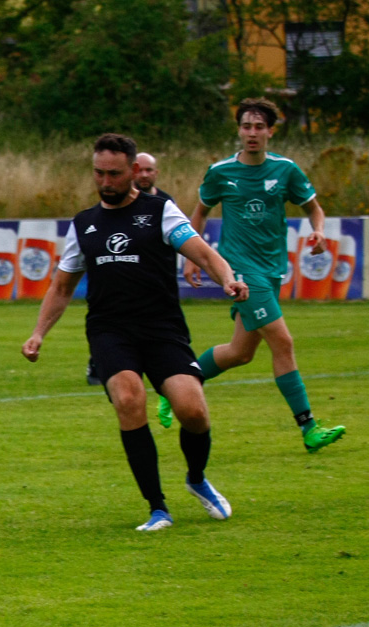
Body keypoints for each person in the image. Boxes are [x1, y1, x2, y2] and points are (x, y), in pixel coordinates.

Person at [22, 133, 249, 531]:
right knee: (129, 398)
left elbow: (204, 254)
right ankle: (157, 508)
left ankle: (196, 478)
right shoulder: (84, 224)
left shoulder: (161, 212)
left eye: (114, 174)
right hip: (110, 331)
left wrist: (228, 279)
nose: (105, 182)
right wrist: (39, 332)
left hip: (162, 329)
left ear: (133, 172)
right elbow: (61, 286)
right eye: (99, 173)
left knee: (192, 410)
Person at [159, 97, 346, 453]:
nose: (252, 133)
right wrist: (192, 257)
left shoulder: (286, 170)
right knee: (283, 343)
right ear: (239, 131)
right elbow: (197, 214)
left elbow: (314, 208)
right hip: (241, 271)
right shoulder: (221, 172)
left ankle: (177, 384)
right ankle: (308, 427)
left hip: (272, 269)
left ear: (271, 132)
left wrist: (319, 231)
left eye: (259, 127)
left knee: (240, 352)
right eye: (246, 126)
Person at [87, 152, 173, 386]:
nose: (145, 175)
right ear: (134, 171)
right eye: (141, 170)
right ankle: (98, 361)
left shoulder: (165, 206)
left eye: (149, 170)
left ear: (156, 173)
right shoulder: (101, 211)